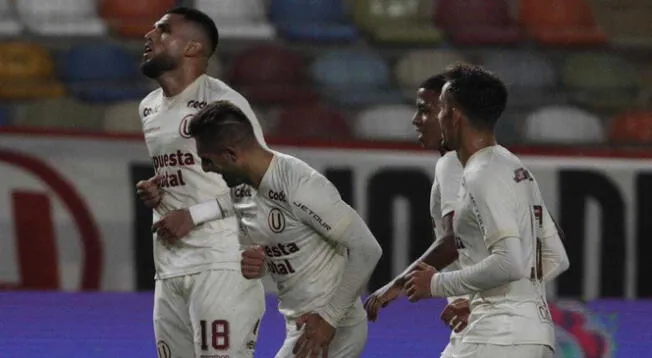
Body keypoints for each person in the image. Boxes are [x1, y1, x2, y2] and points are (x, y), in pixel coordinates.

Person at [187, 100, 383, 358]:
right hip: (299, 327)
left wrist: (329, 319)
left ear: (232, 154)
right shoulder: (241, 191)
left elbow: (367, 249)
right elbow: (280, 252)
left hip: (334, 328)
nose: (205, 169)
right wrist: (260, 265)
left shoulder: (300, 185)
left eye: (208, 160)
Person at [404, 64, 570, 358]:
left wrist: (436, 283)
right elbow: (556, 257)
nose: (437, 118)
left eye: (440, 109)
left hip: (497, 337)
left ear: (454, 114)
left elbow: (509, 263)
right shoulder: (515, 167)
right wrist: (477, 299)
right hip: (535, 335)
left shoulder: (481, 173)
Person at [134, 7, 266, 358]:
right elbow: (191, 172)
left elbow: (263, 181)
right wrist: (160, 186)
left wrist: (194, 215)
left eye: (162, 30)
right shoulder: (149, 108)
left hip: (222, 264)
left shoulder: (222, 104)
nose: (149, 36)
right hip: (169, 267)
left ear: (192, 48)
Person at [363, 73, 468, 358]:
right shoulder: (509, 167)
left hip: (485, 332)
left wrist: (397, 284)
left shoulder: (452, 164)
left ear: (452, 114)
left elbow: (452, 239)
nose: (415, 119)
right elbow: (550, 252)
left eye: (425, 110)